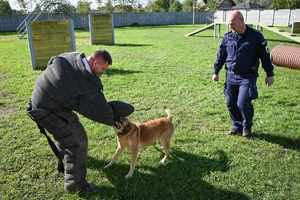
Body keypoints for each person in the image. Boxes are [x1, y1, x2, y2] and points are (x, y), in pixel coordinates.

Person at [26, 49, 134, 193]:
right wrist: (127, 109)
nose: (104, 72)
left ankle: (67, 157)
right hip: (46, 110)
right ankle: (75, 186)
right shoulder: (83, 86)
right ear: (95, 62)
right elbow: (103, 113)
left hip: (45, 100)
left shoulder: (72, 56)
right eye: (103, 68)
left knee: (67, 131)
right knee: (76, 140)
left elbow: (52, 61)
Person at [212, 11, 275, 137]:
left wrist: (269, 74)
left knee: (243, 103)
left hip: (247, 76)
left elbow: (265, 56)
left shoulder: (255, 37)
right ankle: (237, 125)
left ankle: (247, 126)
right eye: (229, 24)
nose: (231, 27)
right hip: (230, 75)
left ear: (242, 20)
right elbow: (221, 56)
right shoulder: (227, 37)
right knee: (230, 102)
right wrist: (216, 71)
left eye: (233, 24)